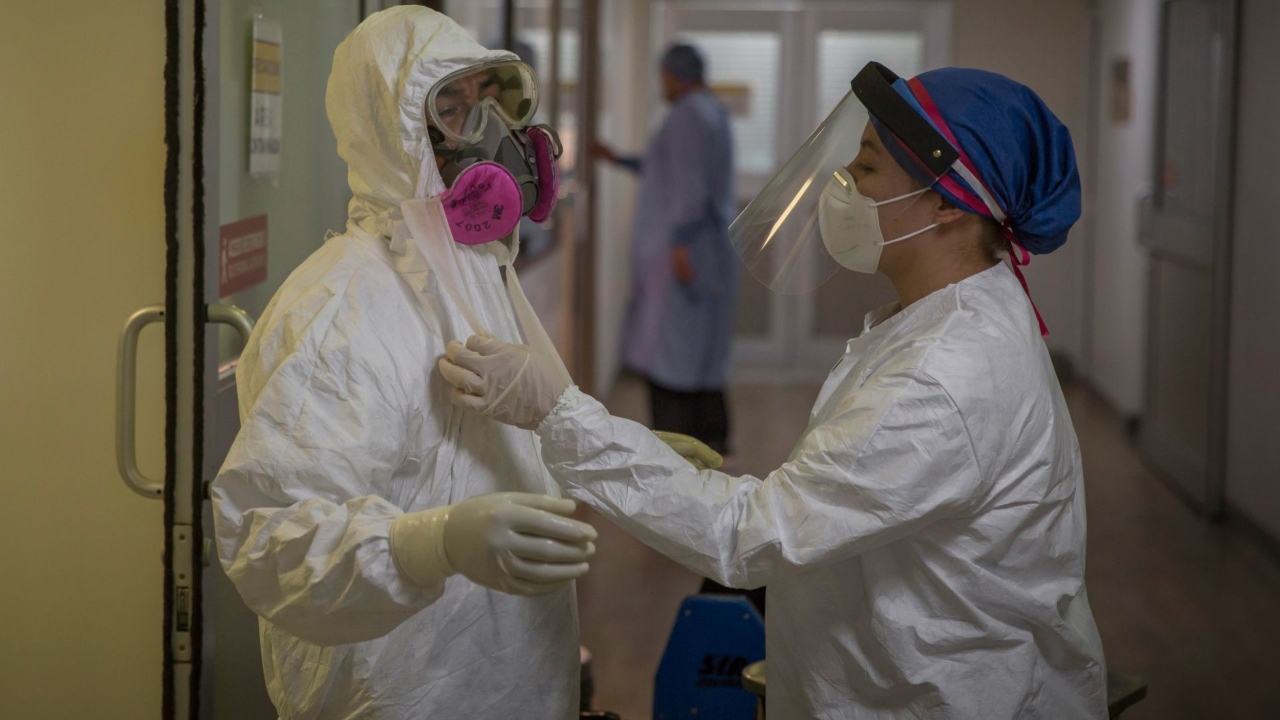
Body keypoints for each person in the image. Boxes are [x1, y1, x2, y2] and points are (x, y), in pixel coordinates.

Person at [440, 61, 1109, 718]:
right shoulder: (954, 313)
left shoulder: (945, 377)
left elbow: (751, 537)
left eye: (868, 166)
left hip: (937, 695)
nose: (842, 181)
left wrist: (556, 413)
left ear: (945, 206)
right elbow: (843, 494)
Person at [210, 8, 596, 719]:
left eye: (484, 104)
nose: (481, 133)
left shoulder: (475, 268)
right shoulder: (342, 305)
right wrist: (429, 546)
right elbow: (268, 537)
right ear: (389, 128)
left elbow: (492, 444)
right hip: (400, 688)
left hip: (510, 674)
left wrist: (597, 447)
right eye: (450, 108)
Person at [592, 43, 740, 457]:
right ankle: (713, 437)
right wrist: (619, 159)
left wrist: (678, 244)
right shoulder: (711, 111)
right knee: (701, 350)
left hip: (687, 250)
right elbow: (669, 171)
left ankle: (679, 446)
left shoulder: (688, 117)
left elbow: (690, 190)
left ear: (674, 76)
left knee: (672, 351)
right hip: (703, 246)